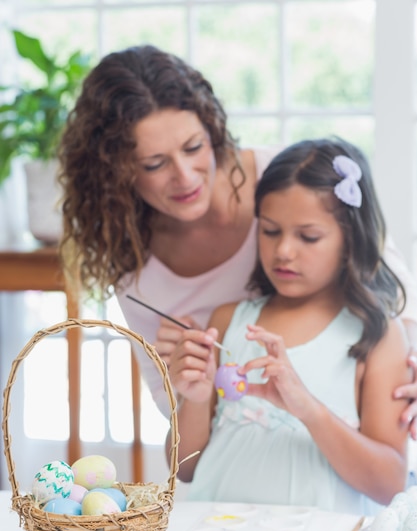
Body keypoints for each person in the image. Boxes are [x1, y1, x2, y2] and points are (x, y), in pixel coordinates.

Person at [58, 44, 417, 430]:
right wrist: (187, 375)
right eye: (155, 164)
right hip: (242, 446)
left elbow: (397, 301)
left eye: (194, 147)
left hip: (359, 424)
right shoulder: (134, 265)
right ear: (117, 173)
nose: (185, 176)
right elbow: (179, 418)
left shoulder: (286, 180)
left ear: (212, 131)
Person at [167, 138, 412, 514]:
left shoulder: (378, 337)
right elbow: (182, 469)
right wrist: (194, 401)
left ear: (350, 239)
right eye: (270, 231)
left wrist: (308, 409)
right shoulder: (228, 321)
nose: (283, 251)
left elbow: (390, 485)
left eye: (308, 236)